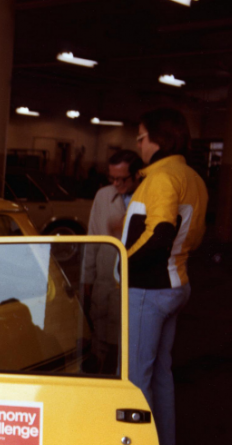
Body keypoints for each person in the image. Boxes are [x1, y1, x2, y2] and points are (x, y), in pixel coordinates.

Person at [122, 108, 208, 445]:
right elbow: (193, 237)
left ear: (159, 140)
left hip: (148, 289)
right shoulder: (192, 177)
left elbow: (159, 235)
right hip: (175, 285)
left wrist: (121, 263)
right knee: (161, 377)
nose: (138, 145)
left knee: (135, 382)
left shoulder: (160, 178)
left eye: (141, 138)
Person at [82, 149, 142, 374]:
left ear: (137, 174)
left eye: (122, 179)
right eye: (112, 178)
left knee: (128, 341)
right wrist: (87, 278)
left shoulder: (147, 196)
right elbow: (92, 238)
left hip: (133, 280)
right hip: (105, 278)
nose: (116, 184)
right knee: (100, 332)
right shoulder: (103, 196)